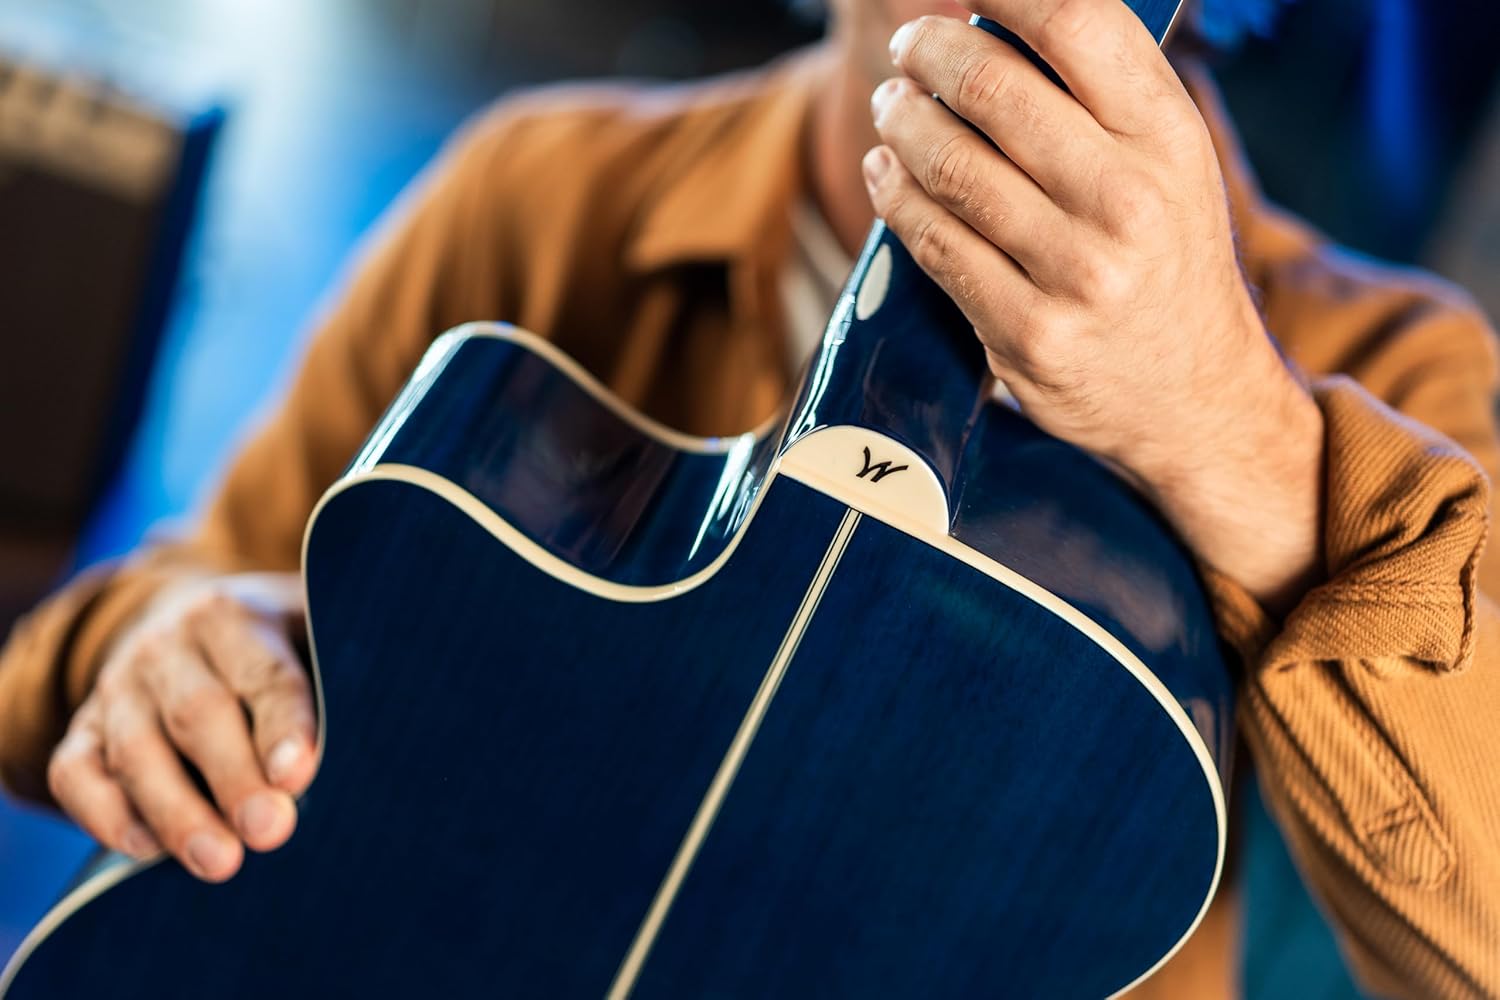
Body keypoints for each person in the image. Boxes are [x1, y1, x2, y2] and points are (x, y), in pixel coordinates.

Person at [2, 0, 1497, 995]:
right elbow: (110, 628)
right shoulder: (540, 195)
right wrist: (154, 653)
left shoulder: (1388, 365)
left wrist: (1225, 422)